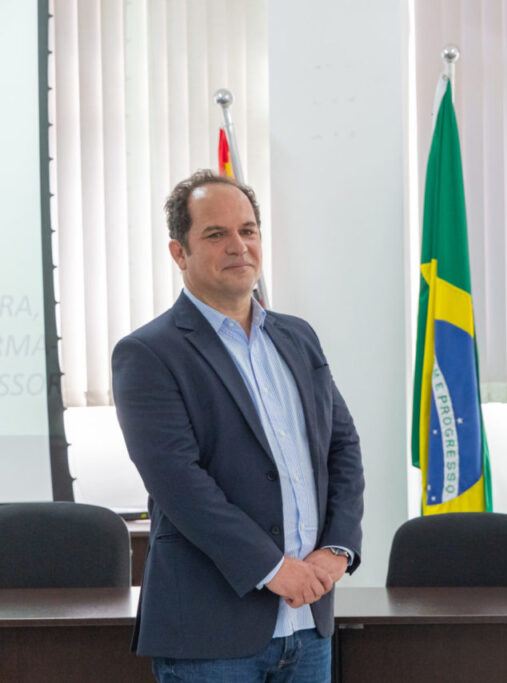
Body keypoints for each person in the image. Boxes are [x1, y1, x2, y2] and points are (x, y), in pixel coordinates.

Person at [112, 170, 365, 682]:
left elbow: (341, 447)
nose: (238, 245)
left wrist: (338, 549)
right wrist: (274, 570)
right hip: (210, 633)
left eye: (248, 230)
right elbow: (179, 484)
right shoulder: (148, 353)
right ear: (179, 253)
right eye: (215, 234)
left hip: (308, 625)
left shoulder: (298, 337)